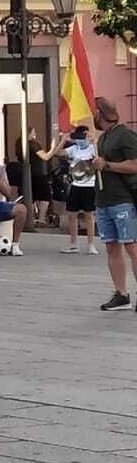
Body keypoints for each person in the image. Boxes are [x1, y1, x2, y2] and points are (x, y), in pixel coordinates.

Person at [93, 97, 137, 311]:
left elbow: (135, 165)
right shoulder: (103, 138)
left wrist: (107, 165)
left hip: (123, 200)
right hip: (103, 200)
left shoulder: (125, 135)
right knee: (112, 247)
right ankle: (121, 294)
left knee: (132, 247)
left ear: (100, 113)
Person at [52, 125, 98, 254]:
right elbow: (57, 153)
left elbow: (101, 157)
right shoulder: (74, 149)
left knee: (89, 215)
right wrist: (63, 141)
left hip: (89, 185)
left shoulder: (93, 149)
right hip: (76, 186)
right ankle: (73, 244)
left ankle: (91, 244)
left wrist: (94, 142)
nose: (80, 140)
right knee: (72, 215)